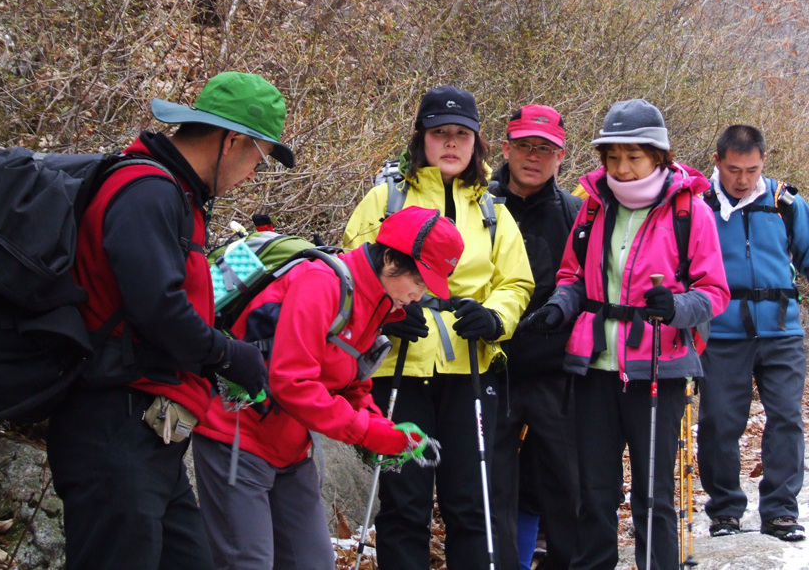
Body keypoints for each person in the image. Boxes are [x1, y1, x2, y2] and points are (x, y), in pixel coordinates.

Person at [46, 71, 288, 570]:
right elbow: (158, 308)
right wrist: (228, 355)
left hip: (148, 436)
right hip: (113, 425)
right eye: (259, 158)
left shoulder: (175, 195)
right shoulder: (148, 191)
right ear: (233, 141)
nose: (253, 173)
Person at [192, 206, 466, 569]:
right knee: (247, 561)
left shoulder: (376, 302)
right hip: (236, 437)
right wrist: (366, 432)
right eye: (418, 282)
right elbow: (291, 382)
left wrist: (382, 427)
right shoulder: (321, 283)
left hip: (290, 449)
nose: (418, 296)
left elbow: (353, 384)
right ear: (390, 258)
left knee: (312, 562)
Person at [523, 99, 729, 570]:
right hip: (594, 366)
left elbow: (714, 291)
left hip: (659, 366)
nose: (623, 168)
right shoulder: (594, 207)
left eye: (633, 157)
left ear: (659, 156)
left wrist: (676, 307)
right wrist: (560, 307)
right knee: (592, 490)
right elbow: (573, 275)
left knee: (654, 492)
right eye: (613, 157)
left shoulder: (690, 212)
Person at [343, 85, 534, 570]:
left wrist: (494, 318)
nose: (450, 143)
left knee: (470, 502)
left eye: (461, 135)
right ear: (421, 139)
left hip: (469, 369)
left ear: (477, 142)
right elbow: (351, 270)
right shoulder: (385, 198)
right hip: (400, 368)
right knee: (404, 503)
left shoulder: (493, 210)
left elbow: (515, 281)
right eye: (439, 133)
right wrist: (386, 313)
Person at [696, 124, 809, 543]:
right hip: (722, 334)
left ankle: (781, 512)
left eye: (751, 169)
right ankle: (725, 510)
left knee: (786, 418)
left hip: (781, 332)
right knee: (719, 424)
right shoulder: (698, 206)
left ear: (764, 161)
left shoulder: (786, 203)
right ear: (717, 163)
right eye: (733, 170)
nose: (742, 179)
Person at [488, 105, 582, 570]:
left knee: (567, 486)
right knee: (492, 489)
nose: (533, 157)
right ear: (505, 149)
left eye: (545, 149)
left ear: (561, 157)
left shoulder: (574, 214)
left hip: (553, 371)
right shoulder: (478, 204)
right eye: (525, 145)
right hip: (488, 366)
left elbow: (587, 284)